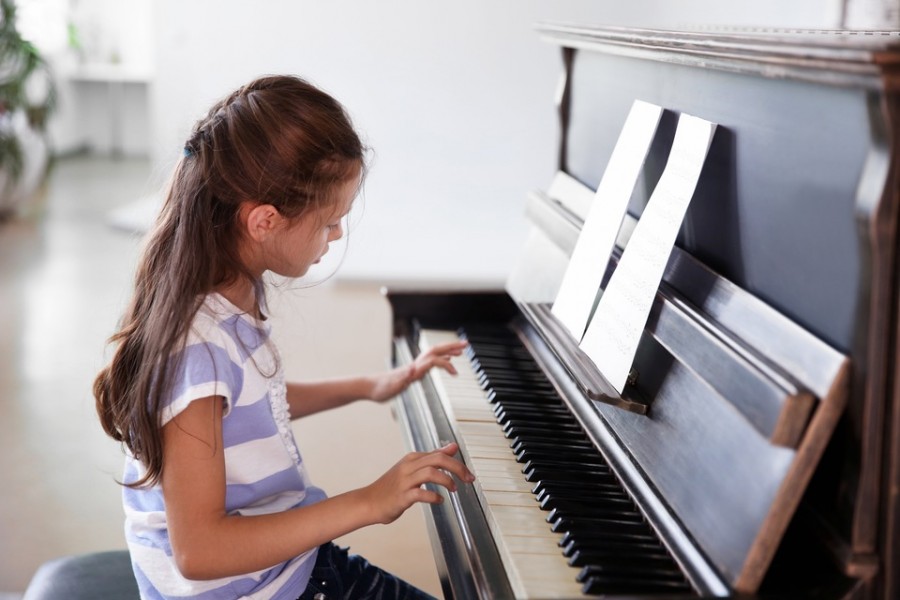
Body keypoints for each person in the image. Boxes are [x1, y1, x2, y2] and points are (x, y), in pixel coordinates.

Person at [93, 74, 473, 600]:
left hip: (281, 565)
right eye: (329, 222)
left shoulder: (226, 297)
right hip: (256, 588)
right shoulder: (196, 350)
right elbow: (199, 551)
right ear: (264, 221)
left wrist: (371, 384)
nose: (336, 234)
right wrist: (367, 501)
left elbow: (251, 405)